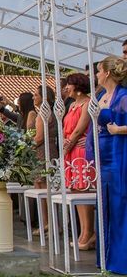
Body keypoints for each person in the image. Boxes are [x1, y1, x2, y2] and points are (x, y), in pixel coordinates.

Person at [91, 56, 127, 273]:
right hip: (102, 156)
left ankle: (120, 259)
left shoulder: (123, 96)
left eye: (98, 71)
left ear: (107, 73)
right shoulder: (102, 95)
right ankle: (104, 257)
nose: (96, 75)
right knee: (103, 207)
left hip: (117, 155)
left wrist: (119, 130)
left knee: (118, 204)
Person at [62, 72, 95, 249]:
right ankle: (83, 231)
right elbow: (66, 127)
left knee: (83, 189)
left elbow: (79, 128)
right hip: (71, 149)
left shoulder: (88, 103)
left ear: (78, 86)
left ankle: (89, 232)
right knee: (75, 190)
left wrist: (67, 145)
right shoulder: (72, 104)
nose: (67, 87)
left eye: (69, 84)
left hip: (80, 150)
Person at [31, 85, 58, 235]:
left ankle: (49, 222)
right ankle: (46, 222)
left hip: (43, 152)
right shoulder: (47, 112)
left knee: (44, 187)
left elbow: (39, 137)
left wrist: (26, 147)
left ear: (44, 97)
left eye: (36, 95)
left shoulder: (43, 113)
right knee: (41, 187)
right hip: (46, 149)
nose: (34, 97)